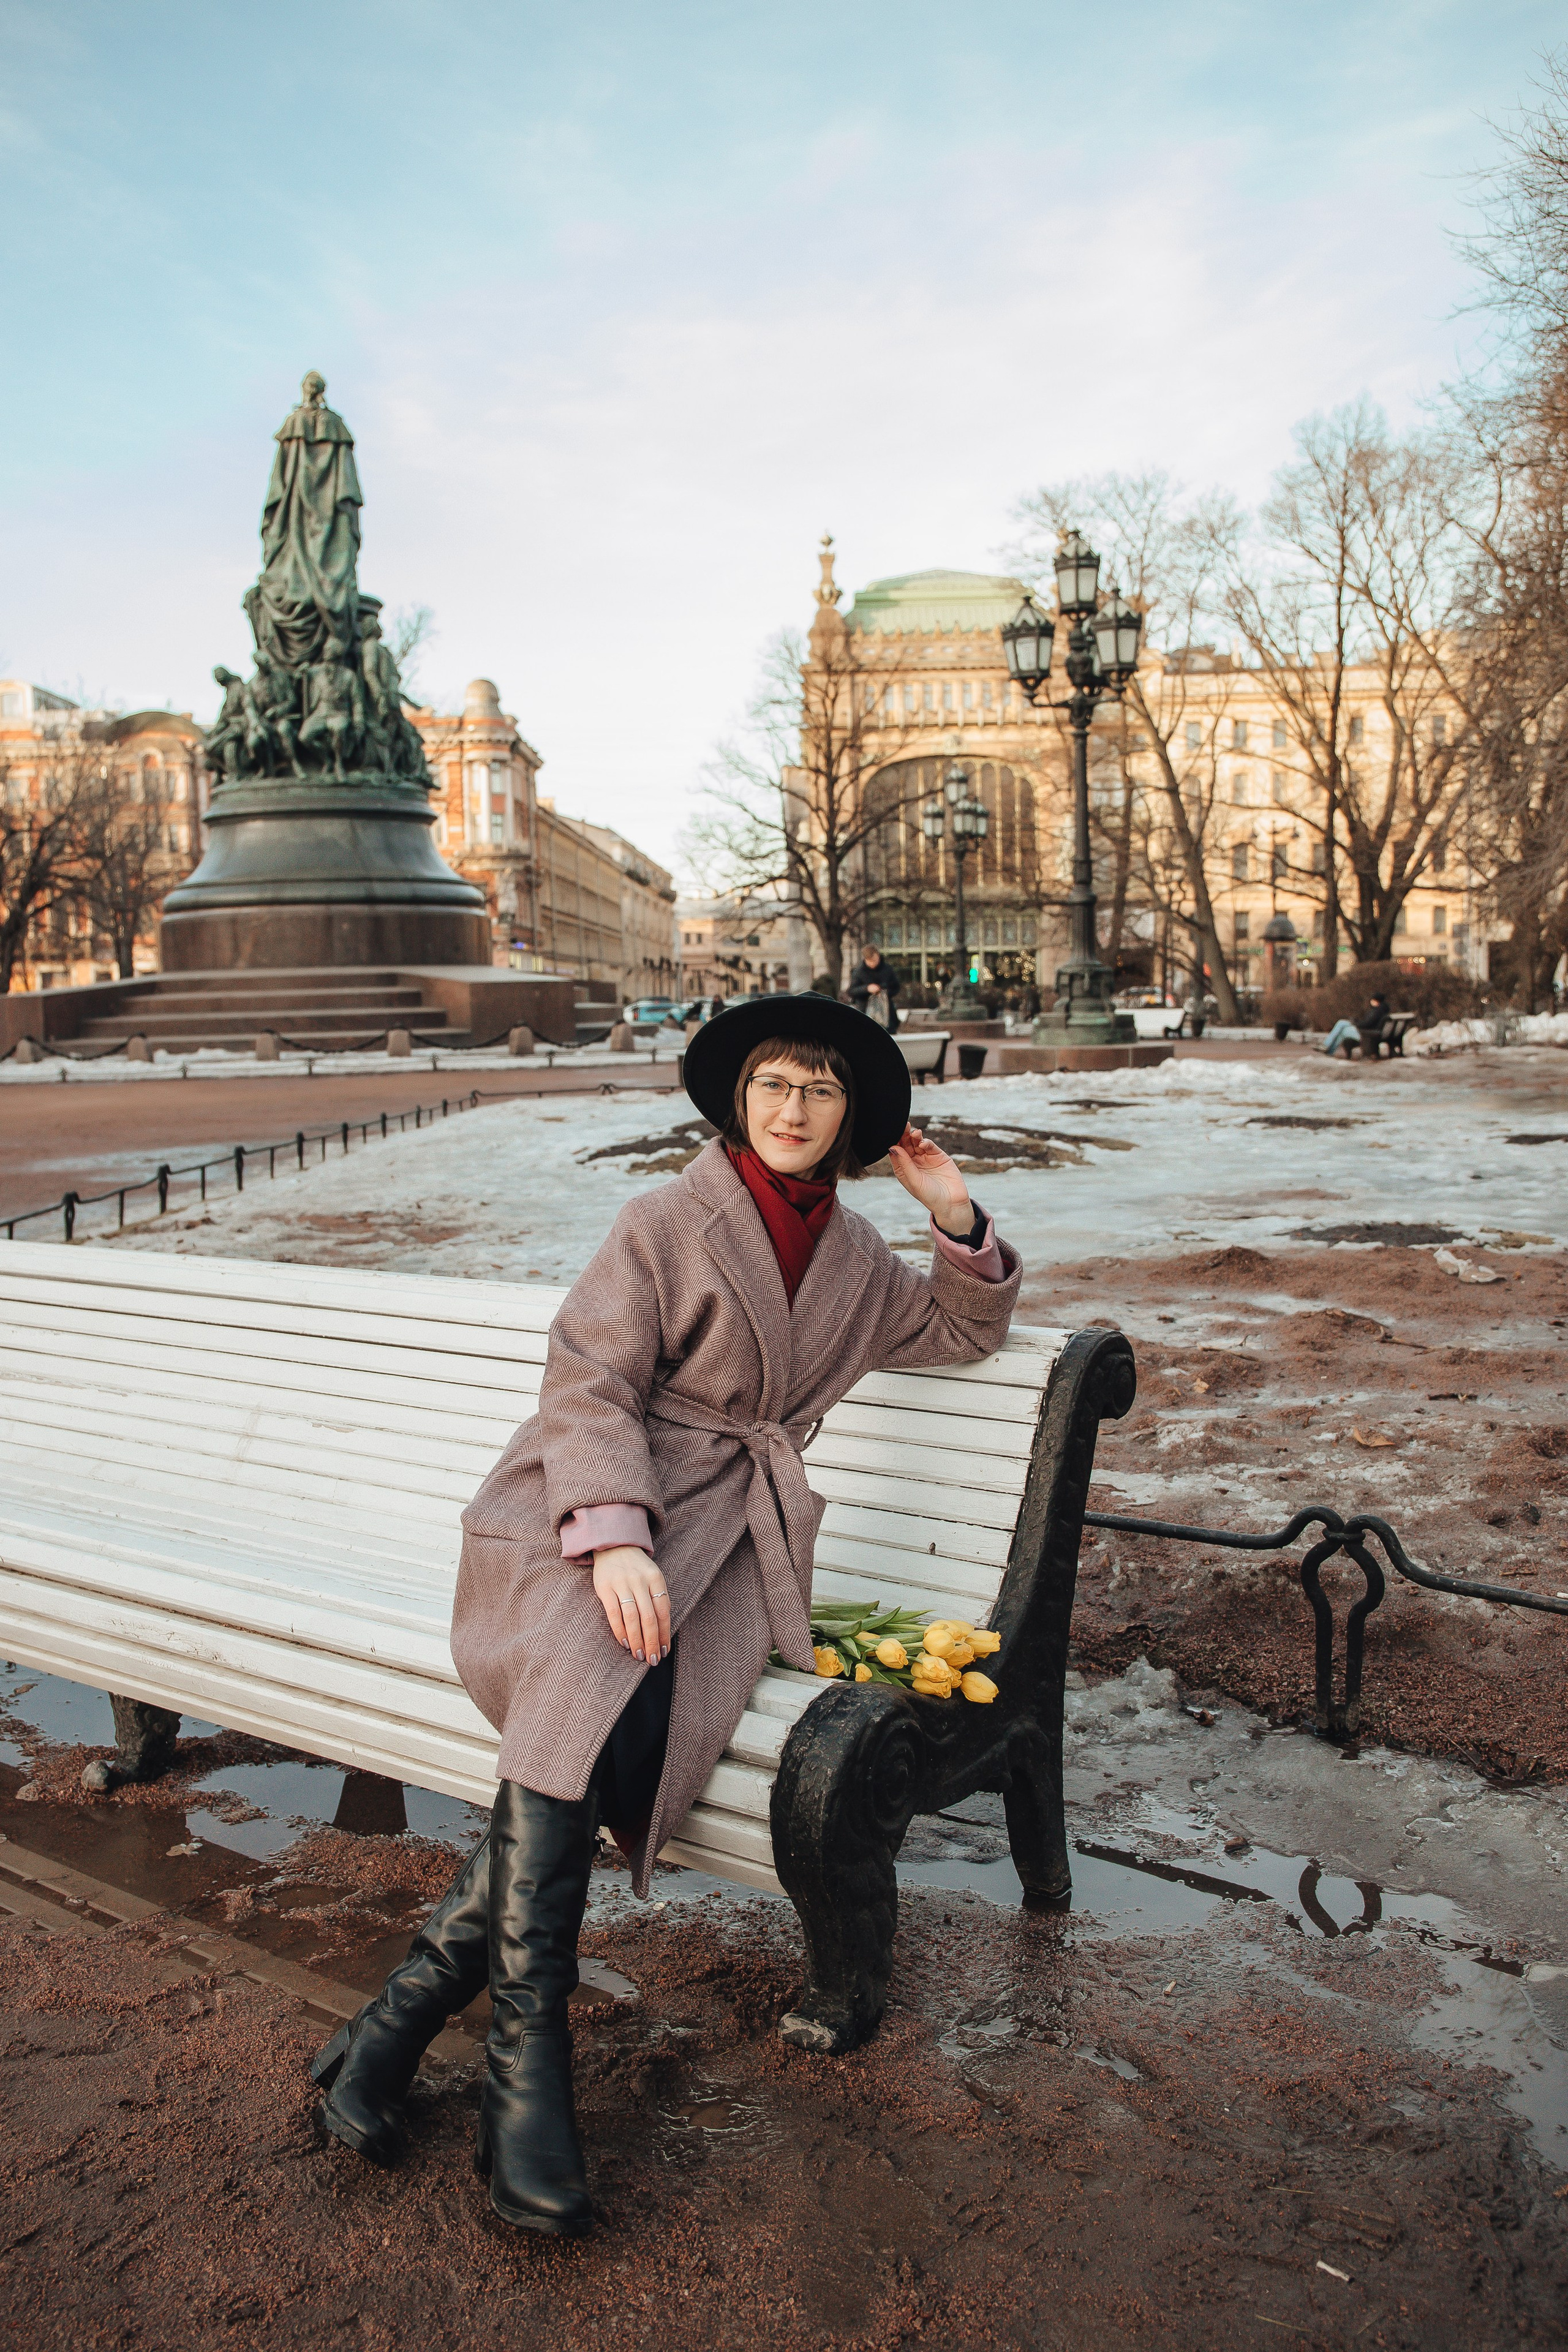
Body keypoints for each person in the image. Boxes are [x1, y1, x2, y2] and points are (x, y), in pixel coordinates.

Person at [310, 994, 1019, 2235]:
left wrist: (952, 1215)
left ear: (850, 1116)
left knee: (628, 1725)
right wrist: (613, 1536)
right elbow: (588, 1382)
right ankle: (528, 2072)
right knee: (591, 1682)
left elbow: (964, 1328)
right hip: (582, 1518)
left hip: (733, 1550)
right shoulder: (662, 1221)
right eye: (772, 1087)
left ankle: (396, 2023)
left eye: (820, 1090)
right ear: (737, 1103)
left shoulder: (857, 1262)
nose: (793, 1110)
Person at [846, 944, 901, 1031]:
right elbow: (851, 991)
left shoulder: (887, 969)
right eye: (870, 961)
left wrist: (883, 992)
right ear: (865, 960)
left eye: (875, 960)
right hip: (865, 1014)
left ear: (878, 956)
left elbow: (896, 987)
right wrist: (867, 989)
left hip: (887, 1015)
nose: (873, 963)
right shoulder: (859, 972)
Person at [1321, 992, 1390, 1058]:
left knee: (1342, 1029)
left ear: (1376, 1001)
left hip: (1367, 1034)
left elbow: (1366, 1024)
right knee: (1342, 1023)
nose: (1371, 1001)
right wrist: (1357, 1021)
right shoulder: (1381, 1010)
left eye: (1372, 1000)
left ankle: (1327, 1048)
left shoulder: (1377, 1012)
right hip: (1372, 1033)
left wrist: (1356, 1023)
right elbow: (1368, 1022)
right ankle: (1328, 1050)